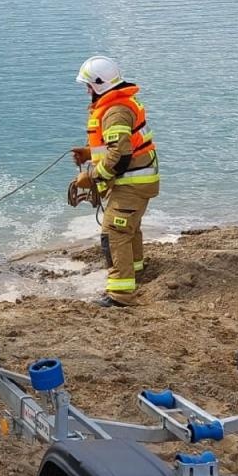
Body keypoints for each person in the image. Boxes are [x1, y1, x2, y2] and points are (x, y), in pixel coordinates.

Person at [72, 55, 160, 306]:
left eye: (88, 85)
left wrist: (91, 176)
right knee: (129, 228)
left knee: (115, 231)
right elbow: (123, 145)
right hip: (139, 180)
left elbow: (119, 156)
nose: (87, 90)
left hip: (132, 182)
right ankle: (135, 270)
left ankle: (120, 294)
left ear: (98, 85)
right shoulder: (120, 104)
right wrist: (89, 153)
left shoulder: (115, 111)